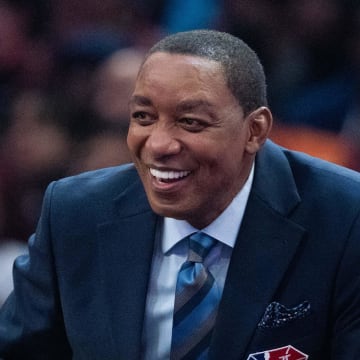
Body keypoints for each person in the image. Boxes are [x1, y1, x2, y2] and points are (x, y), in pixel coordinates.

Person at [0, 29, 359, 360]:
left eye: (191, 122)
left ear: (255, 130)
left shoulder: (344, 217)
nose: (158, 144)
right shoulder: (75, 212)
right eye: (143, 116)